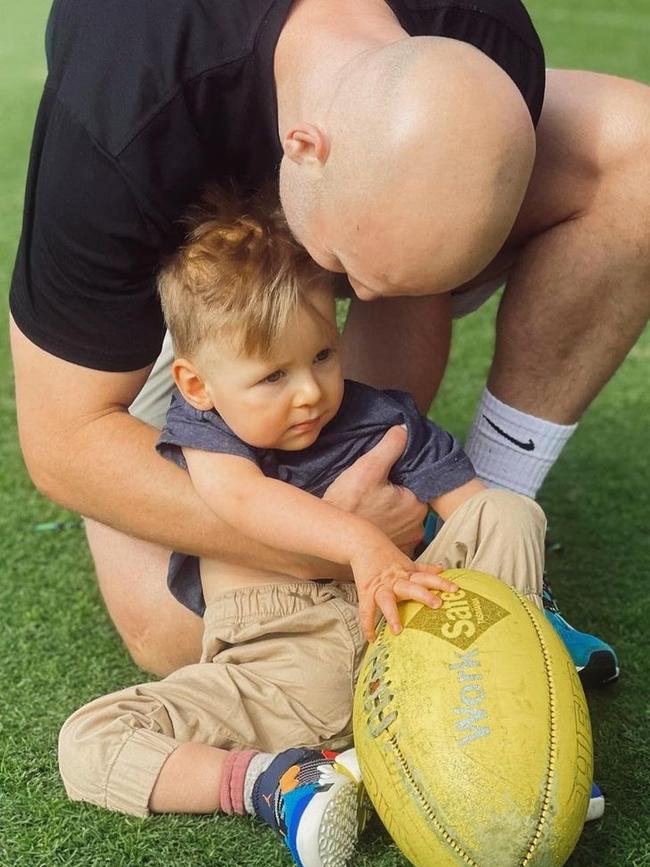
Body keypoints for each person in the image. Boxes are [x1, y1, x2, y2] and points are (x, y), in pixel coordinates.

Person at [11, 0, 645, 680]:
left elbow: (407, 283)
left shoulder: (481, 38)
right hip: (193, 286)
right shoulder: (124, 95)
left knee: (636, 153)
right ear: (305, 148)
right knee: (194, 633)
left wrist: (467, 524)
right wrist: (328, 539)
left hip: (350, 179)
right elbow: (64, 442)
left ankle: (476, 541)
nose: (360, 303)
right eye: (352, 272)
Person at [58, 192, 556, 866]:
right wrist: (363, 542)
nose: (311, 392)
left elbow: (473, 508)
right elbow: (242, 500)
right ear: (196, 384)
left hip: (410, 643)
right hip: (276, 676)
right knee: (88, 736)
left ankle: (510, 721)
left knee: (509, 512)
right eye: (273, 375)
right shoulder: (204, 434)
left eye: (323, 354)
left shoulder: (381, 416)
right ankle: (278, 783)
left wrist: (493, 579)